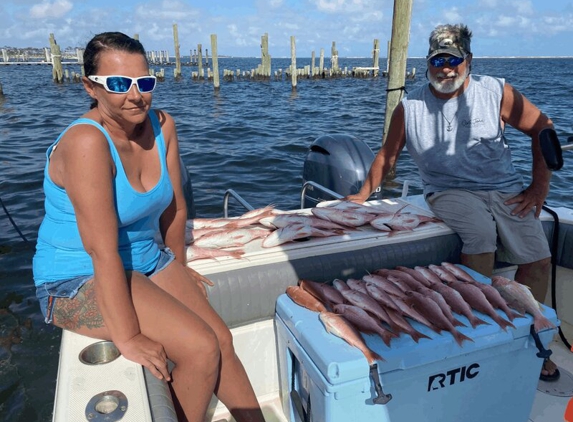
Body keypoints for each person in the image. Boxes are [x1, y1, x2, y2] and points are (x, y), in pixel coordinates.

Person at [32, 32, 266, 421]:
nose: (136, 95)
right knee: (200, 347)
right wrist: (128, 337)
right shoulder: (86, 142)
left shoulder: (162, 126)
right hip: (76, 276)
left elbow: (174, 206)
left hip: (145, 259)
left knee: (221, 340)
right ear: (90, 86)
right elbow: (101, 250)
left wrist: (180, 265)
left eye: (145, 82)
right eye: (120, 84)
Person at [346, 23, 559, 381]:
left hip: (506, 188)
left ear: (469, 61)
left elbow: (544, 128)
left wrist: (539, 188)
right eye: (437, 59)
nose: (446, 67)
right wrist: (362, 196)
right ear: (428, 63)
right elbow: (388, 154)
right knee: (479, 233)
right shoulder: (409, 106)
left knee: (538, 258)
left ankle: (527, 335)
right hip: (448, 190)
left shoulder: (496, 92)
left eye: (454, 59)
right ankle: (481, 332)